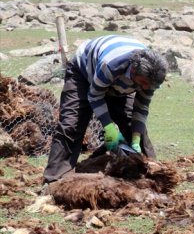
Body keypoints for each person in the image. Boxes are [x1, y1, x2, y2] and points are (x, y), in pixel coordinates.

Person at [43, 35, 168, 184]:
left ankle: (151, 175)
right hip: (83, 74)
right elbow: (95, 96)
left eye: (150, 85)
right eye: (143, 83)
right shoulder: (111, 64)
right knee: (72, 124)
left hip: (120, 83)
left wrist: (135, 138)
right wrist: (109, 127)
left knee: (132, 124)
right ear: (134, 71)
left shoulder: (150, 77)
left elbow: (141, 107)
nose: (146, 88)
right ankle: (54, 180)